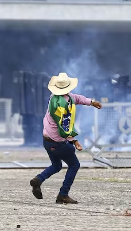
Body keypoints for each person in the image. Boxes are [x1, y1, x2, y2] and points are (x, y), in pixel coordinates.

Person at [30, 72, 102, 204]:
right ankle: (63, 194)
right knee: (74, 165)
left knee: (57, 165)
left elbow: (77, 98)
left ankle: (38, 179)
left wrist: (91, 102)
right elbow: (63, 127)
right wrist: (74, 141)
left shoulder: (57, 97)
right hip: (58, 142)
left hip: (47, 140)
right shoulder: (60, 106)